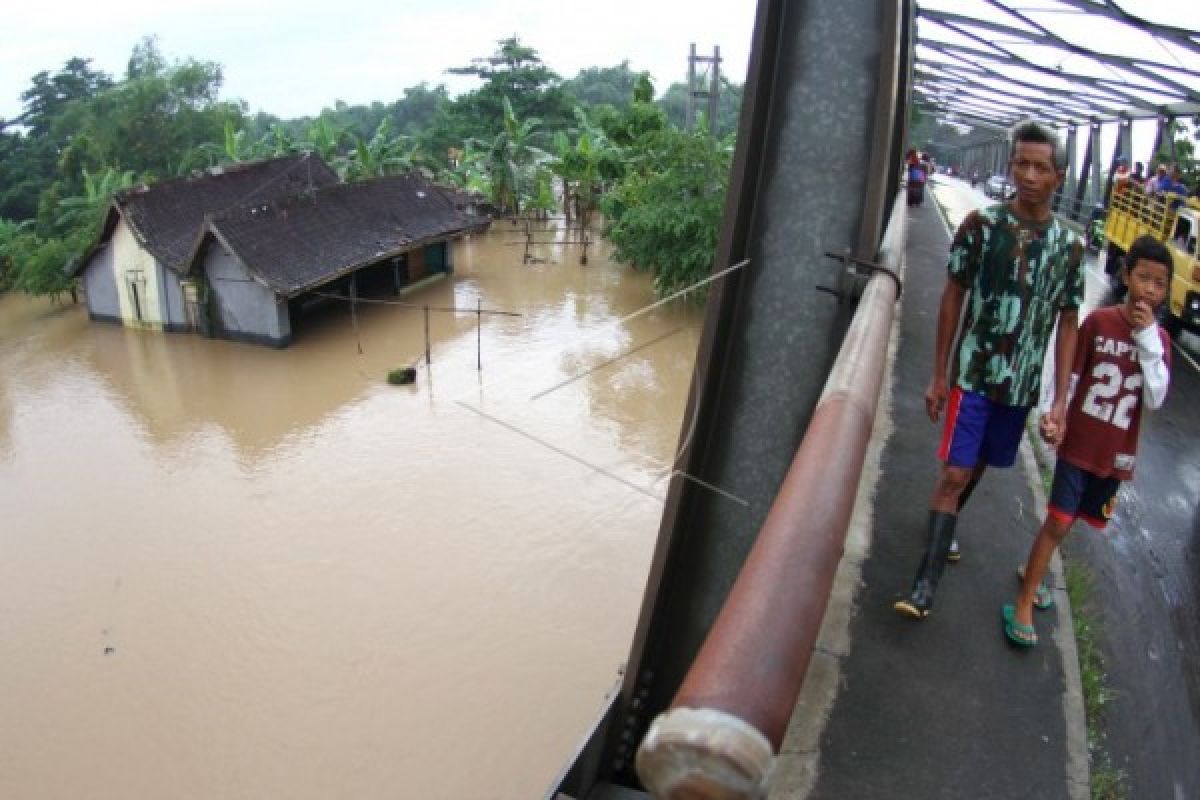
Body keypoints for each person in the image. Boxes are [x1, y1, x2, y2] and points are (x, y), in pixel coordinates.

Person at [894, 120, 1085, 619]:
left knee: (977, 465)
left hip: (1018, 387)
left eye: (1040, 167)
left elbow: (1068, 324)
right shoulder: (982, 226)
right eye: (1021, 162)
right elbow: (953, 293)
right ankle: (924, 586)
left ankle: (946, 526)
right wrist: (940, 373)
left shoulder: (1070, 248)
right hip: (974, 375)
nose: (1028, 174)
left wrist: (1060, 401)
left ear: (1058, 177)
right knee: (955, 470)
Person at [1003, 236, 1172, 646]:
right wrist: (1054, 412)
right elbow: (1071, 374)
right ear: (1126, 274)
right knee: (1060, 521)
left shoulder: (1160, 342)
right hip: (1079, 444)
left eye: (1160, 283)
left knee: (1070, 520)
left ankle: (1034, 572)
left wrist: (1148, 339)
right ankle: (1024, 601)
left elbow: (1156, 397)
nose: (1149, 289)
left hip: (1113, 454)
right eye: (1143, 277)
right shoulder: (1099, 322)